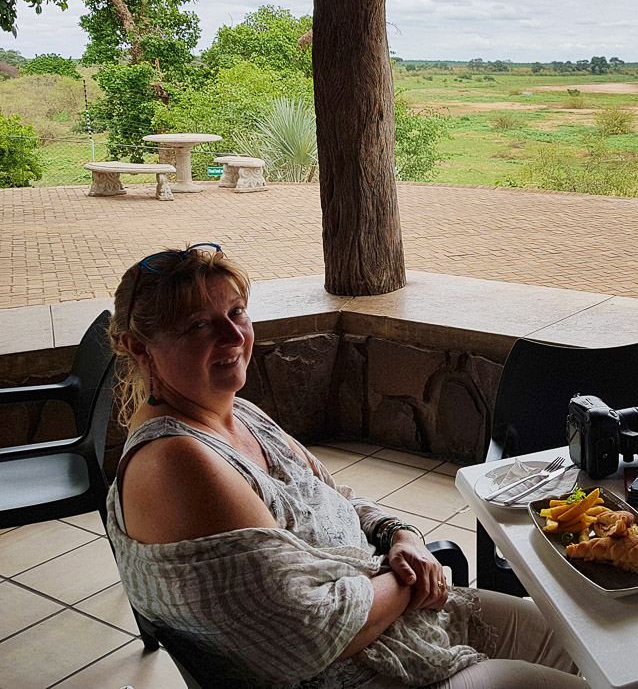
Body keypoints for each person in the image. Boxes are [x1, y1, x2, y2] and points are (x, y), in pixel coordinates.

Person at [105, 243, 585, 689]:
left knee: (575, 639)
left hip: (401, 623)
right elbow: (308, 635)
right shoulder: (177, 462)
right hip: (368, 672)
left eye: (236, 313)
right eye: (198, 326)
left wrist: (402, 536)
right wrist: (407, 577)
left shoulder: (237, 412)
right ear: (140, 349)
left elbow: (336, 498)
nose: (234, 336)